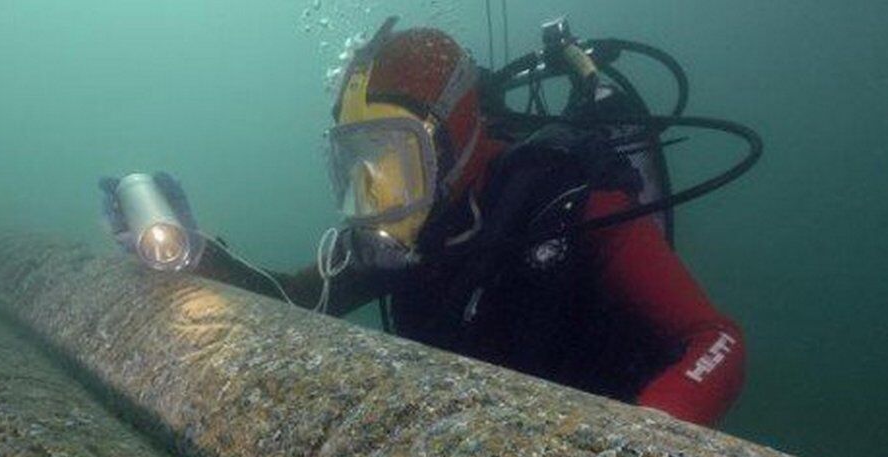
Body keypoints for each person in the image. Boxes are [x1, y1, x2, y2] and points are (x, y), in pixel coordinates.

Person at [173, 24, 746, 427]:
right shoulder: (402, 234)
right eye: (355, 163)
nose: (374, 191)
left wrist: (649, 431)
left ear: (455, 139)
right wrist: (193, 255)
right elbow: (295, 299)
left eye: (394, 158)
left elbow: (717, 340)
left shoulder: (567, 199)